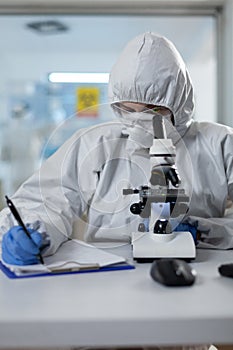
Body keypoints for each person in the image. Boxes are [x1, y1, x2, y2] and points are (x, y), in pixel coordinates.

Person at [0, 31, 233, 266]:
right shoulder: (95, 143)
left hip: (203, 266)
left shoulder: (220, 142)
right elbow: (46, 200)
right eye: (128, 109)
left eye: (153, 110)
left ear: (179, 103)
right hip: (110, 269)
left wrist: (207, 231)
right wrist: (36, 231)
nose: (140, 119)